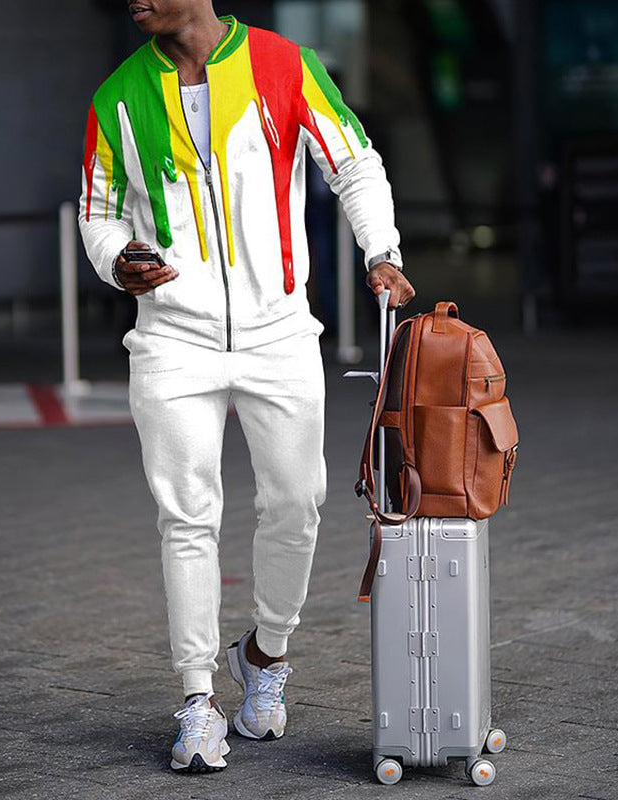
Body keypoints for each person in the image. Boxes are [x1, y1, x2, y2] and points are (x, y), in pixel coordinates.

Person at [79, 0, 415, 774]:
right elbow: (97, 210)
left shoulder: (282, 65)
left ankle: (263, 657)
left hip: (280, 334)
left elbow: (353, 161)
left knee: (298, 504)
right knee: (186, 517)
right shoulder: (117, 95)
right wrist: (116, 257)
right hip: (170, 339)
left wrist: (381, 252)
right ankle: (196, 702)